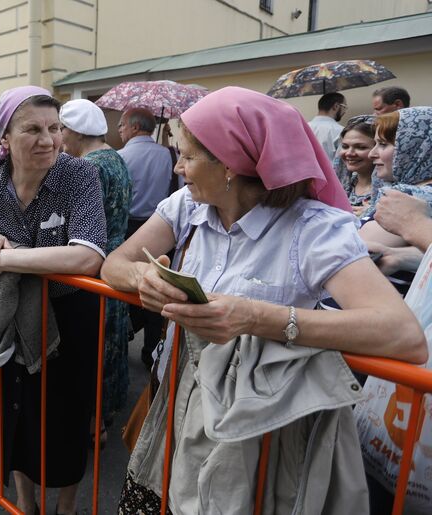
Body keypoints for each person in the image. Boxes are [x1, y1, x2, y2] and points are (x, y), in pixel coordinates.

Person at [101, 87, 427, 514]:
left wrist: (255, 317)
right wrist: (143, 277)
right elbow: (113, 266)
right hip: (177, 400)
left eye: (189, 156)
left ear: (233, 164)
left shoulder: (313, 229)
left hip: (260, 429)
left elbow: (403, 335)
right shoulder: (187, 206)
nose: (178, 168)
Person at [0, 86, 107, 515]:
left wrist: (9, 259)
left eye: (55, 128)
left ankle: (66, 506)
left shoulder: (78, 175)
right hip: (10, 317)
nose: (48, 140)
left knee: (65, 418)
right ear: (4, 138)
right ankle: (25, 503)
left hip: (69, 318)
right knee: (17, 415)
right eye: (33, 129)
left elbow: (88, 255)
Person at [59, 98, 132, 439]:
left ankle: (92, 423)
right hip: (117, 258)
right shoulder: (115, 157)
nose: (58, 138)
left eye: (60, 130)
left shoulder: (87, 167)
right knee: (111, 339)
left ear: (74, 132)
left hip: (93, 262)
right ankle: (104, 417)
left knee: (93, 343)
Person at [117, 107, 173, 368]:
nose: (119, 130)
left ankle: (123, 338)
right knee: (159, 292)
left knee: (124, 287)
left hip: (129, 229)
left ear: (135, 127)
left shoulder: (120, 156)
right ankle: (152, 350)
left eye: (122, 125)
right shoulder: (169, 155)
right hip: (162, 229)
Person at [360, 108, 432, 284]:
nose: (372, 153)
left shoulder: (412, 196)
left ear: (415, 148)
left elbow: (354, 247)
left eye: (383, 144)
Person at [334, 115, 376, 217]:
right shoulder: (343, 185)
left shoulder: (389, 191)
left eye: (360, 147)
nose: (349, 153)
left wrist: (372, 214)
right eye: (345, 146)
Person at [308, 92, 347, 161]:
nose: (345, 111)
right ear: (336, 106)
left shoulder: (303, 127)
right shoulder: (341, 131)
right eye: (344, 107)